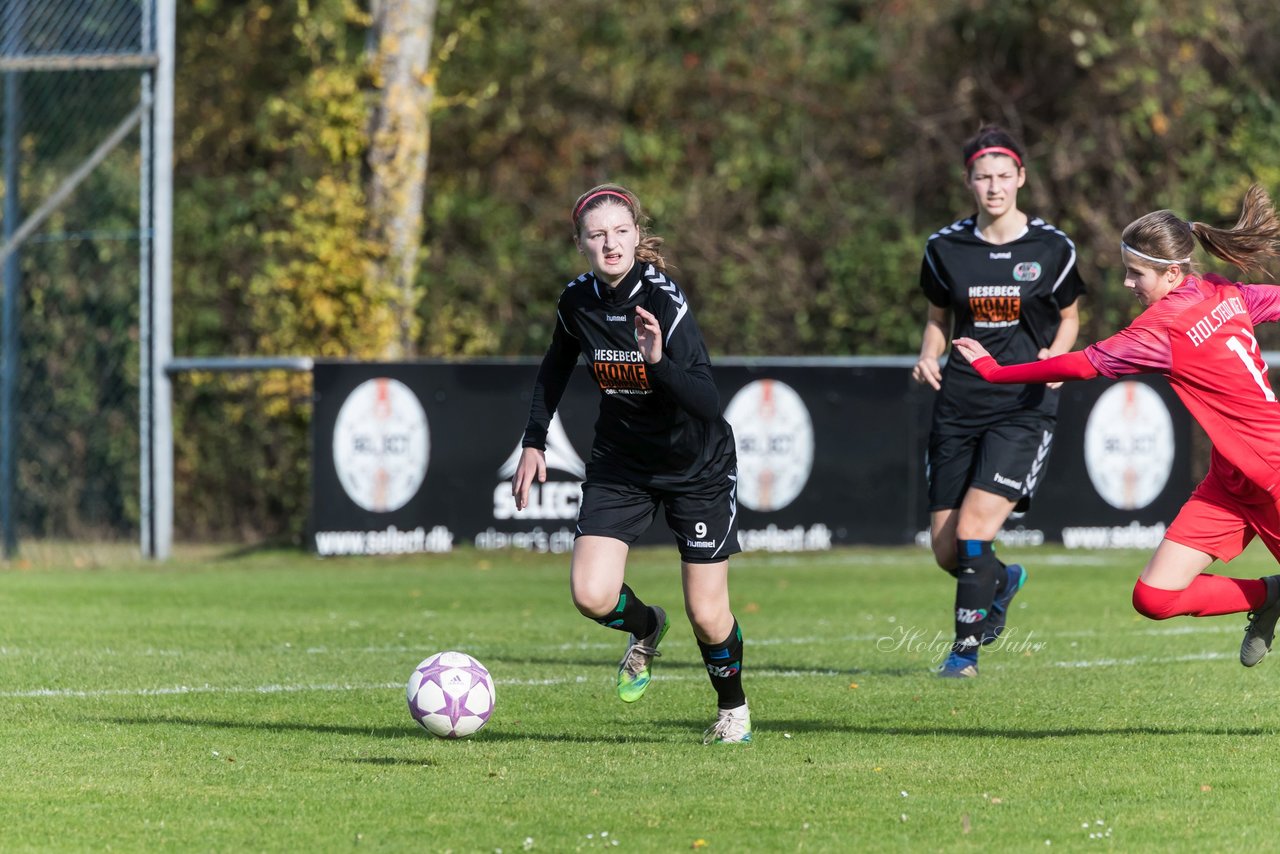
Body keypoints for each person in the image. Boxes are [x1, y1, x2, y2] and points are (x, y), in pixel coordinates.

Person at [952, 183, 1280, 668]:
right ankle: (1269, 595)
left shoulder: (1163, 328)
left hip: (1273, 473)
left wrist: (997, 372)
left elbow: (1079, 366)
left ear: (1171, 273)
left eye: (1136, 273)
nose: (1128, 283)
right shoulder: (1221, 291)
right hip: (1231, 480)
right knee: (1154, 597)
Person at [511, 183, 750, 744]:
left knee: (708, 614)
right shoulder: (577, 301)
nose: (610, 243)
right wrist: (534, 441)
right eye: (597, 235)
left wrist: (658, 361)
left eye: (621, 232)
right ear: (581, 244)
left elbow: (708, 402)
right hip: (622, 462)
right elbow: (554, 368)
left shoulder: (666, 301)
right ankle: (646, 626)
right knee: (592, 595)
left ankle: (732, 708)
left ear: (638, 237)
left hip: (696, 465)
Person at [911, 124, 1087, 677]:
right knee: (946, 551)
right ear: (968, 181)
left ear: (1021, 179)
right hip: (959, 404)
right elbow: (939, 317)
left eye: (1003, 176)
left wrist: (1057, 360)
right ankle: (1004, 579)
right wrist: (928, 354)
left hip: (1023, 406)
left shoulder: (1052, 247)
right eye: (983, 177)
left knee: (972, 533)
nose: (994, 187)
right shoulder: (944, 248)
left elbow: (1069, 317)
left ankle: (964, 653)